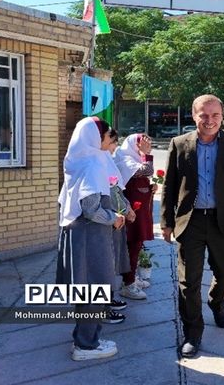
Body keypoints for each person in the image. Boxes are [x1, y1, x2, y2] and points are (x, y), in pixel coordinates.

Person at [160, 94, 224, 358]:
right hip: (190, 221)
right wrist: (166, 221)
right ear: (194, 115)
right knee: (188, 281)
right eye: (204, 115)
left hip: (223, 222)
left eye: (215, 115)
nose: (209, 120)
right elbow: (170, 186)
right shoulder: (179, 144)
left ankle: (217, 303)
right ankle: (193, 332)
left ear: (222, 116)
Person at [57, 116, 124, 361]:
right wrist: (114, 217)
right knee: (95, 286)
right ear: (96, 138)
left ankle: (86, 338)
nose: (109, 142)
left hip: (79, 233)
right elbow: (91, 208)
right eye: (107, 137)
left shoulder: (77, 159)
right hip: (90, 234)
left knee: (86, 288)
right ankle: (86, 345)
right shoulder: (93, 165)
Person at [114, 133, 155, 300]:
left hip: (140, 211)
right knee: (132, 244)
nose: (145, 146)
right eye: (141, 144)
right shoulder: (123, 158)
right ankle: (128, 284)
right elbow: (148, 169)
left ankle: (131, 279)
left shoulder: (133, 159)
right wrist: (147, 153)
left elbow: (143, 177)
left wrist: (149, 188)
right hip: (131, 212)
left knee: (137, 245)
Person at [102, 129, 136, 324]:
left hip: (113, 220)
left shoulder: (105, 161)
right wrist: (119, 211)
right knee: (101, 266)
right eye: (112, 141)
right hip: (102, 223)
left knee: (111, 262)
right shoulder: (92, 163)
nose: (115, 146)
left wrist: (126, 207)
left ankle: (108, 300)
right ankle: (101, 309)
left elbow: (115, 188)